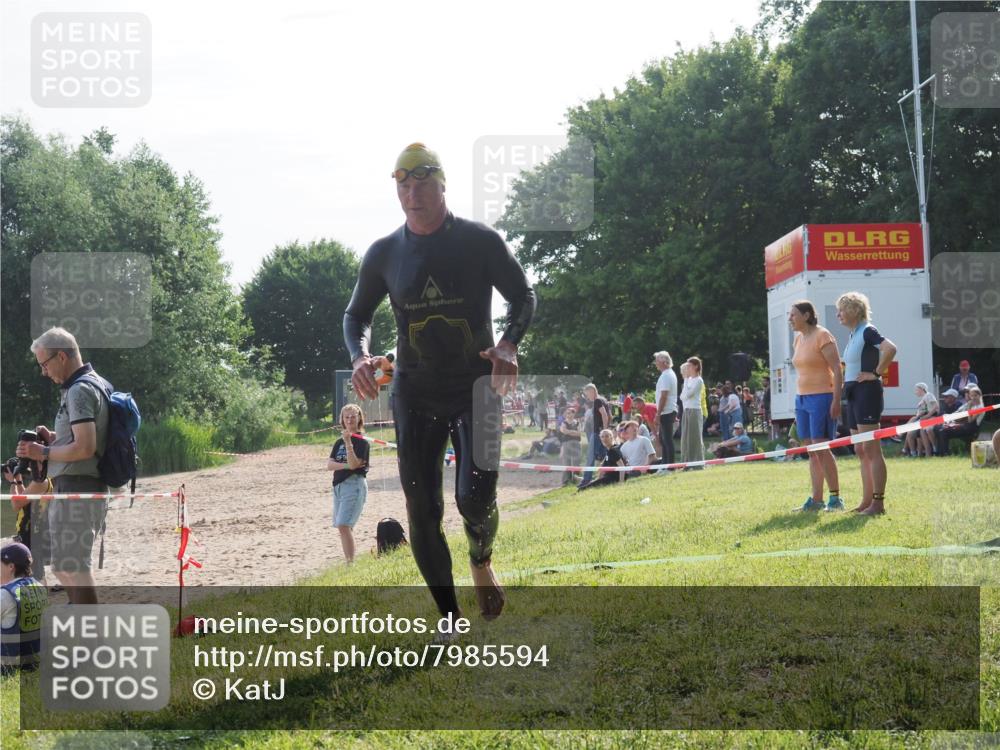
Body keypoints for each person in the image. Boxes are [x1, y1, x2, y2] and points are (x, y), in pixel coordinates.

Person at [344, 143, 535, 623]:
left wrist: (509, 345)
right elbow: (356, 315)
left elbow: (523, 294)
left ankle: (480, 559)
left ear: (443, 184)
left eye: (422, 182)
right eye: (402, 185)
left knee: (474, 496)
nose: (412, 194)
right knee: (421, 506)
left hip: (477, 388)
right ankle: (449, 618)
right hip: (416, 391)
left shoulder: (479, 241)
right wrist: (361, 357)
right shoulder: (385, 253)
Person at [16, 327, 110, 605]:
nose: (44, 372)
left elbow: (85, 447)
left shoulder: (79, 390)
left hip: (78, 486)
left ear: (61, 357)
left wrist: (43, 451)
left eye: (45, 364)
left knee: (73, 567)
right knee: (65, 567)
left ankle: (92, 639)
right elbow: (83, 440)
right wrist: (54, 440)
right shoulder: (93, 383)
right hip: (78, 485)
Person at [836, 291, 897, 515]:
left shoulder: (868, 330)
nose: (838, 314)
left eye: (841, 310)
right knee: (860, 449)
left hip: (866, 392)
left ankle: (878, 503)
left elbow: (890, 348)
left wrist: (876, 373)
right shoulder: (854, 334)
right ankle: (866, 501)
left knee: (871, 448)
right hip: (853, 392)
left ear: (854, 310)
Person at [788, 300, 844, 512]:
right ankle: (817, 499)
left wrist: (836, 400)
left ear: (807, 315)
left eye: (793, 315)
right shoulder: (798, 339)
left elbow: (837, 370)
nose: (790, 319)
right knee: (811, 450)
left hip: (822, 397)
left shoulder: (823, 335)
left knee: (821, 448)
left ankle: (835, 498)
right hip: (802, 398)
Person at [327, 404, 370, 564]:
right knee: (342, 526)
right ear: (342, 420)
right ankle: (349, 560)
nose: (350, 420)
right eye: (347, 417)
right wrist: (345, 465)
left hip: (354, 485)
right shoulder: (339, 442)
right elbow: (330, 465)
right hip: (338, 486)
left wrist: (348, 443)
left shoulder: (362, 442)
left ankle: (350, 563)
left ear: (359, 418)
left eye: (353, 416)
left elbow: (354, 464)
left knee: (344, 525)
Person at [1, 542, 47, 675]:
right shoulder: (39, 587)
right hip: (35, 659)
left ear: (11, 567)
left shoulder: (6, 594)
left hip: (9, 665)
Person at [934, 385, 985, 456]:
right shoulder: (969, 404)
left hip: (970, 428)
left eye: (974, 395)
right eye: (971, 395)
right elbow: (958, 414)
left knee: (943, 430)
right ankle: (940, 453)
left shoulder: (979, 406)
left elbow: (970, 420)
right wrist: (950, 419)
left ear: (979, 395)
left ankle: (945, 454)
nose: (972, 397)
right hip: (965, 425)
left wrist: (969, 408)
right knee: (938, 428)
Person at [580, 384, 611, 485]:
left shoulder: (597, 401)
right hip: (601, 432)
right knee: (604, 456)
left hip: (598, 432)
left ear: (592, 391)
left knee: (590, 456)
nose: (587, 397)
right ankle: (606, 475)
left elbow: (605, 415)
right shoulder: (603, 400)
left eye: (587, 394)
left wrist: (604, 431)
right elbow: (609, 415)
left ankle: (586, 480)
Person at [653, 351, 678, 466]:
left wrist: (658, 414)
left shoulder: (667, 375)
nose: (656, 363)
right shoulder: (667, 374)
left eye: (657, 361)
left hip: (666, 411)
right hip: (666, 410)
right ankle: (665, 464)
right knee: (664, 440)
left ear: (664, 362)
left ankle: (670, 466)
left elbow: (664, 396)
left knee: (667, 440)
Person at [680, 358, 706, 467]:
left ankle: (698, 463)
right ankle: (686, 462)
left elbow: (689, 395)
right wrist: (686, 379)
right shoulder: (688, 380)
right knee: (685, 438)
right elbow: (682, 397)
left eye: (690, 366)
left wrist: (685, 393)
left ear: (696, 366)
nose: (688, 368)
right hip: (686, 411)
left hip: (695, 411)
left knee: (695, 438)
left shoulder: (699, 380)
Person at [903, 382, 938, 458]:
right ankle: (913, 454)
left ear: (922, 389)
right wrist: (921, 416)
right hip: (924, 419)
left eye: (917, 390)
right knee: (910, 434)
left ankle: (932, 450)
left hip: (931, 418)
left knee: (921, 430)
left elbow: (936, 407)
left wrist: (928, 415)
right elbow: (923, 411)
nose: (915, 392)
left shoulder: (929, 395)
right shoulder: (923, 398)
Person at [926, 388, 963, 455]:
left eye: (946, 396)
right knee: (924, 429)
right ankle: (928, 451)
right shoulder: (945, 405)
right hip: (941, 424)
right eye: (944, 397)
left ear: (953, 397)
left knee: (933, 429)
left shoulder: (959, 405)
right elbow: (940, 416)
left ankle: (938, 451)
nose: (944, 398)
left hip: (951, 426)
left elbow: (957, 418)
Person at [558, 406, 584, 487]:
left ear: (573, 414)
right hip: (566, 443)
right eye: (567, 413)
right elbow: (563, 431)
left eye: (569, 413)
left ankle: (576, 479)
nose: (567, 414)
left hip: (576, 443)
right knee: (566, 462)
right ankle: (566, 481)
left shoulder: (577, 423)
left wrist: (569, 432)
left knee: (576, 462)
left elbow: (579, 433)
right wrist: (573, 432)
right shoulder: (564, 422)